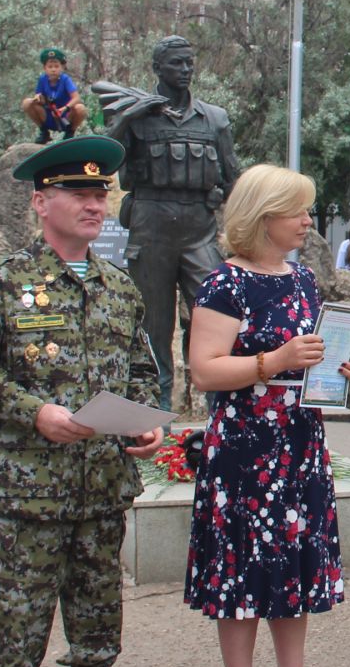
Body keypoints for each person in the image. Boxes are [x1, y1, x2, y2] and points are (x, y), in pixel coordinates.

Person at [0, 135, 163, 667]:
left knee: (98, 607)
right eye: (81, 193)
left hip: (98, 483)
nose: (96, 203)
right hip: (25, 486)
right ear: (42, 202)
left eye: (102, 193)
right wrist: (33, 412)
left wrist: (145, 423)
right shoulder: (1, 284)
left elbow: (141, 370)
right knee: (16, 612)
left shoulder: (119, 289)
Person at [185, 165, 350, 667]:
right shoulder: (223, 286)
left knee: (294, 566)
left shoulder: (303, 278)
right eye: (299, 211)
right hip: (243, 448)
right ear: (263, 218)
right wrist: (276, 361)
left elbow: (305, 354)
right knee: (242, 572)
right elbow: (205, 369)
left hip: (299, 440)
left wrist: (331, 367)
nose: (308, 220)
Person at [92, 36, 242, 409]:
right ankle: (154, 419)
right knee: (154, 329)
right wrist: (128, 118)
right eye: (177, 64)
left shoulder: (215, 119)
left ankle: (218, 416)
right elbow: (100, 162)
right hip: (151, 227)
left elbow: (234, 179)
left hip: (198, 231)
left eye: (190, 62)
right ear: (158, 69)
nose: (186, 70)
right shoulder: (136, 118)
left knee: (216, 316)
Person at [21, 48, 87, 143]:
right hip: (48, 115)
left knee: (81, 108)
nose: (53, 69)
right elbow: (39, 97)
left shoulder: (65, 79)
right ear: (45, 68)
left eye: (56, 66)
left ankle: (70, 133)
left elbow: (76, 98)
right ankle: (44, 132)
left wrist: (65, 108)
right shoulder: (42, 79)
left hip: (65, 115)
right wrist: (38, 98)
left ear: (62, 67)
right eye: (50, 66)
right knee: (27, 102)